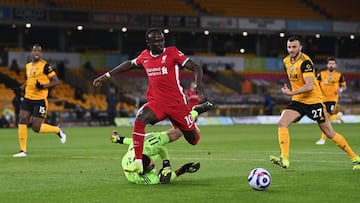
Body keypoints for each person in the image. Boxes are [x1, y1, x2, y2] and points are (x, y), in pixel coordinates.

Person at [93, 27, 205, 174]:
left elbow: (195, 67)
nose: (160, 43)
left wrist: (198, 83)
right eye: (156, 41)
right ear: (148, 43)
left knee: (193, 140)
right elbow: (129, 64)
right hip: (157, 102)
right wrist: (106, 75)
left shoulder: (172, 52)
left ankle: (194, 113)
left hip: (176, 104)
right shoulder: (144, 56)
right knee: (140, 119)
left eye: (162, 40)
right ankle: (138, 162)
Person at [269, 36, 360, 170]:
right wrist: (292, 92)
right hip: (298, 101)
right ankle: (285, 158)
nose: (291, 50)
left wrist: (291, 93)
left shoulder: (306, 63)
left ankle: (355, 158)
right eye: (289, 47)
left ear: (300, 47)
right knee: (282, 122)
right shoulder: (286, 61)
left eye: (294, 47)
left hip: (313, 101)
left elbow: (309, 86)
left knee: (329, 132)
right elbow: (296, 80)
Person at [13, 44, 67, 157]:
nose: (37, 52)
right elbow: (29, 80)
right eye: (35, 51)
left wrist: (43, 86)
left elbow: (56, 81)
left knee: (36, 127)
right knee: (22, 119)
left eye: (39, 51)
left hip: (40, 100)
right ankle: (23, 150)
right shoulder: (28, 66)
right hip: (28, 98)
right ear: (31, 53)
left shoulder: (45, 66)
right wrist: (21, 88)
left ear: (41, 53)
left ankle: (57, 129)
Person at [112, 129, 200, 184]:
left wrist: (166, 165)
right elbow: (165, 179)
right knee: (178, 133)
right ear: (144, 170)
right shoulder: (150, 179)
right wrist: (183, 169)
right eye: (152, 166)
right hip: (132, 166)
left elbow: (134, 142)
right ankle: (189, 121)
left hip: (149, 141)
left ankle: (190, 117)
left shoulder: (143, 150)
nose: (154, 165)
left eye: (152, 163)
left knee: (170, 136)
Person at [315, 57, 346, 145]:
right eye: (330, 63)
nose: (331, 65)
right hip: (322, 98)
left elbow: (343, 86)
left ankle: (322, 139)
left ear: (335, 65)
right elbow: (316, 84)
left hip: (332, 99)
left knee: (326, 118)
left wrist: (340, 89)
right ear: (327, 65)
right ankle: (337, 117)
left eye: (333, 64)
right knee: (321, 117)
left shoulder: (339, 75)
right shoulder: (321, 74)